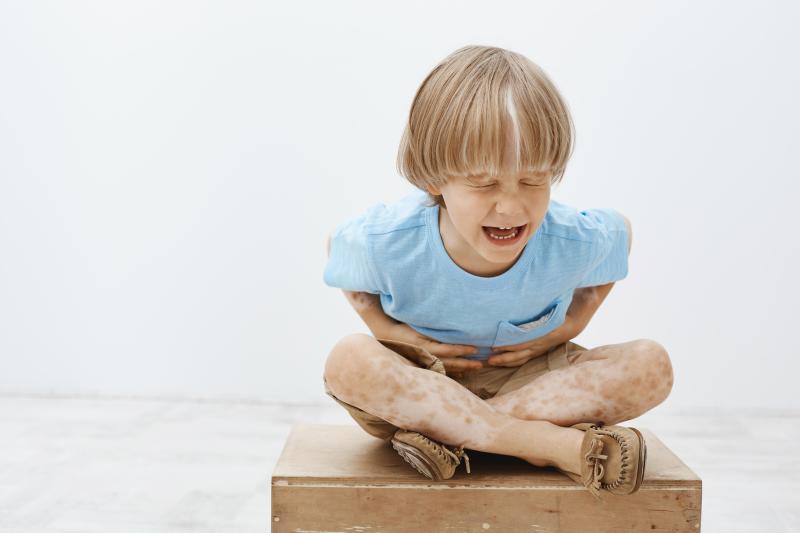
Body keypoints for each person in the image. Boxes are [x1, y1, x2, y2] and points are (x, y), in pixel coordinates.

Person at [321, 45, 673, 499]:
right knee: (349, 359)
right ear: (434, 179)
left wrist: (575, 322)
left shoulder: (571, 238)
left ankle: (452, 437)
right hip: (424, 384)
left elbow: (620, 233)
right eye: (484, 184)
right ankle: (543, 443)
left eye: (532, 181)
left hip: (536, 381)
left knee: (651, 364)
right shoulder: (388, 240)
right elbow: (339, 250)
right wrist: (386, 329)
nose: (510, 207)